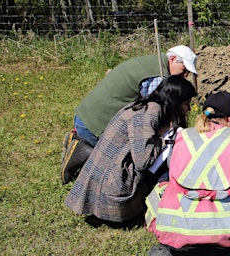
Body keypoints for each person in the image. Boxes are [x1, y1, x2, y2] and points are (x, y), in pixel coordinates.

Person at [145, 91, 230, 256]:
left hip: (179, 232)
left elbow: (172, 172)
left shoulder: (182, 136)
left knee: (163, 187)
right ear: (229, 119)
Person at [64, 76, 197, 223]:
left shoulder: (145, 106)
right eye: (186, 104)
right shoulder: (148, 114)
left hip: (106, 180)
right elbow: (143, 161)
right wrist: (163, 138)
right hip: (112, 188)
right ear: (175, 101)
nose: (189, 109)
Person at [61, 45, 198, 184]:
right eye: (184, 69)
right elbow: (153, 113)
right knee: (124, 165)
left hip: (85, 117)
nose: (186, 74)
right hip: (95, 126)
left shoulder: (153, 62)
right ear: (173, 59)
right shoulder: (156, 77)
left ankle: (82, 140)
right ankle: (84, 151)